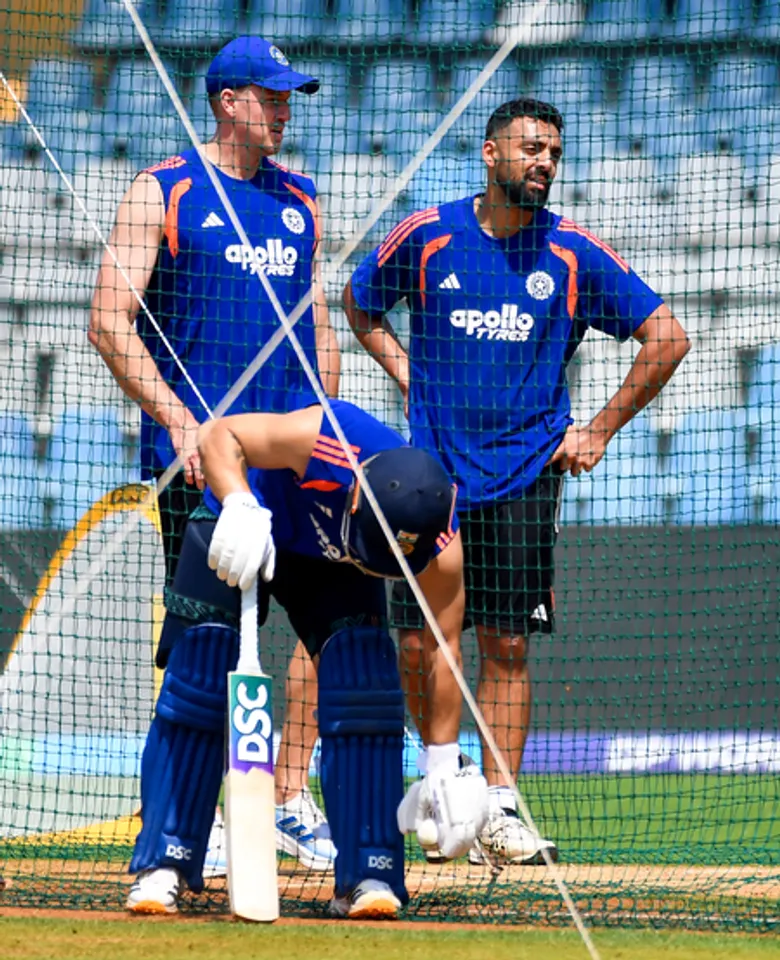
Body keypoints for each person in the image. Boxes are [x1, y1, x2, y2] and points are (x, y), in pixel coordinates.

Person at [343, 97, 691, 866]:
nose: (544, 162)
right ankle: (444, 783)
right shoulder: (428, 234)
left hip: (525, 475)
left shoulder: (571, 252)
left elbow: (668, 336)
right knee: (415, 642)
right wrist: (408, 376)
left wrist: (598, 429)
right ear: (490, 154)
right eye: (531, 147)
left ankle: (498, 809)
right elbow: (359, 304)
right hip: (429, 480)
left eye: (554, 153)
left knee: (504, 643)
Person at [88, 36, 339, 874]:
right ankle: (188, 825)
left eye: (289, 96)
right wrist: (179, 421)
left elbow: (320, 333)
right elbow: (108, 319)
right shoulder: (161, 191)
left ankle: (277, 803)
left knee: (327, 632)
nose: (284, 109)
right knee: (209, 643)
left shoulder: (302, 199)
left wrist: (326, 431)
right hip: (201, 469)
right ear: (227, 101)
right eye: (270, 96)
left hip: (293, 465)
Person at [125, 397, 489, 918]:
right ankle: (166, 863)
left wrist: (441, 762)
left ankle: (369, 872)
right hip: (246, 525)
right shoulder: (324, 439)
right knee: (201, 673)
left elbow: (444, 647)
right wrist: (240, 504)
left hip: (332, 569)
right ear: (358, 497)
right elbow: (218, 437)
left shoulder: (439, 541)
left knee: (365, 682)